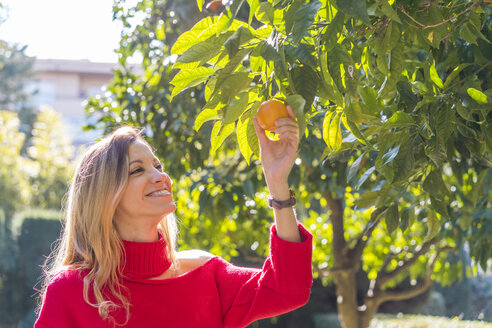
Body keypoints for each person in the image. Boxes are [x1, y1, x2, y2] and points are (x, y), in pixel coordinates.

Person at [34, 106, 313, 328]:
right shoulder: (73, 291)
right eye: (137, 170)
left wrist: (277, 183)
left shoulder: (205, 274)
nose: (161, 177)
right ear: (105, 197)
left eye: (157, 166)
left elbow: (288, 289)